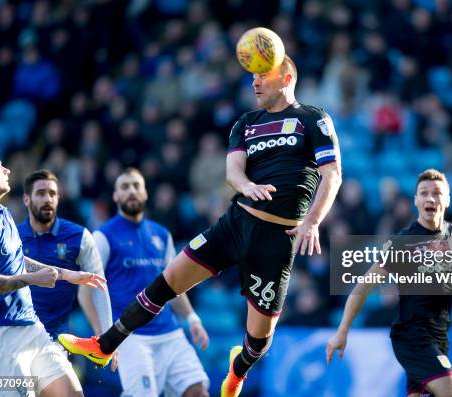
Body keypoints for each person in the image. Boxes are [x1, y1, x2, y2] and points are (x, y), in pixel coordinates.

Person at [58, 54, 342, 397]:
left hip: (276, 239)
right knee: (166, 282)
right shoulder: (246, 123)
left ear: (286, 78)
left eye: (261, 76)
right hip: (236, 223)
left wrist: (313, 221)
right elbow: (233, 170)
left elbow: (333, 175)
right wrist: (246, 186)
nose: (253, 82)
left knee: (258, 340)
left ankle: (237, 372)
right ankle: (104, 345)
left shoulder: (312, 119)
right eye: (251, 76)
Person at [326, 169, 452, 397]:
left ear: (447, 200)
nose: (430, 198)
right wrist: (343, 329)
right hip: (412, 336)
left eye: (437, 193)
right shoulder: (402, 243)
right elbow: (364, 286)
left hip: (439, 337)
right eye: (424, 193)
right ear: (415, 200)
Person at [0, 143, 106, 397]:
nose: (7, 170)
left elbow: (19, 260)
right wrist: (32, 279)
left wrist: (67, 275)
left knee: (73, 393)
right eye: (0, 165)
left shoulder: (4, 213)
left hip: (32, 328)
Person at [93, 168, 209, 397]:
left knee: (198, 392)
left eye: (136, 186)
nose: (131, 191)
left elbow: (173, 285)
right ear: (115, 196)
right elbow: (88, 290)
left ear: (146, 193)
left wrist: (192, 318)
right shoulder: (102, 237)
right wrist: (106, 338)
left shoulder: (162, 234)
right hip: (131, 337)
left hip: (170, 333)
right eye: (124, 187)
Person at [17, 170, 113, 357]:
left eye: (52, 193)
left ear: (59, 199)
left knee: (72, 389)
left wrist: (109, 336)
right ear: (26, 200)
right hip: (16, 335)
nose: (48, 199)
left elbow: (99, 286)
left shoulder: (80, 236)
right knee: (15, 387)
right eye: (41, 193)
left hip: (56, 340)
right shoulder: (12, 236)